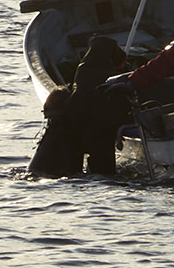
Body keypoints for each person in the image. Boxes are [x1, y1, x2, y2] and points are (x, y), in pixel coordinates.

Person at [30, 36, 133, 177]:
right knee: (104, 173)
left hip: (75, 139)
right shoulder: (113, 81)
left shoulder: (83, 72)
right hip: (103, 135)